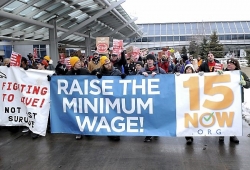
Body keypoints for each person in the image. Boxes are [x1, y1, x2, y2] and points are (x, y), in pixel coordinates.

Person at [92, 56, 126, 141]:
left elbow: (122, 81)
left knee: (115, 115)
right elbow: (90, 74)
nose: (108, 65)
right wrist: (96, 74)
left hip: (115, 97)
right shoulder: (100, 72)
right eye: (105, 64)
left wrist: (123, 76)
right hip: (104, 98)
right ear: (103, 65)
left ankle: (116, 133)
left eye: (108, 63)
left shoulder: (116, 71)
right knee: (107, 115)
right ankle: (110, 132)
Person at [219, 58, 250, 144]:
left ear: (235, 65)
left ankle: (233, 135)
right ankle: (221, 134)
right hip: (224, 100)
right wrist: (217, 75)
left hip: (236, 100)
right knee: (223, 117)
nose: (228, 65)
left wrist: (245, 83)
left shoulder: (240, 74)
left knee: (234, 118)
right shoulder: (223, 73)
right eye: (228, 63)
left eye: (231, 64)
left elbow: (248, 83)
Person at [138, 54, 166, 142]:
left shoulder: (159, 70)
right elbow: (134, 78)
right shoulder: (143, 70)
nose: (149, 61)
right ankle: (149, 134)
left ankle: (156, 131)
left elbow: (167, 77)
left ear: (154, 61)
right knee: (148, 115)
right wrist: (141, 74)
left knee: (156, 114)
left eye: (151, 59)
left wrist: (158, 74)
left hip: (156, 96)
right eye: (148, 59)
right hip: (146, 96)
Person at [66, 56, 90, 140]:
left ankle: (87, 131)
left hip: (84, 97)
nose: (79, 63)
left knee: (86, 114)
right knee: (76, 115)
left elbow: (92, 79)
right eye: (77, 62)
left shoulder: (85, 71)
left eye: (80, 61)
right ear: (73, 64)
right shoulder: (69, 74)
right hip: (74, 98)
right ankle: (78, 131)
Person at [183, 64, 196, 144]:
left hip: (194, 101)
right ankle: (188, 136)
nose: (188, 71)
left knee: (193, 119)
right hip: (184, 102)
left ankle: (192, 133)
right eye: (187, 69)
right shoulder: (181, 78)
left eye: (190, 69)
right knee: (186, 119)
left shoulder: (197, 78)